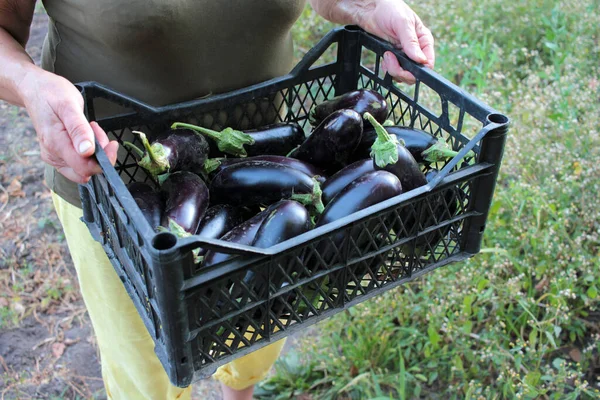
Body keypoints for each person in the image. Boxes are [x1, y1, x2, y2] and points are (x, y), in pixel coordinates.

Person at [0, 1, 434, 398]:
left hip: (269, 162)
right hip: (122, 188)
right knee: (147, 368)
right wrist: (30, 85)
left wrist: (370, 6)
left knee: (255, 326)